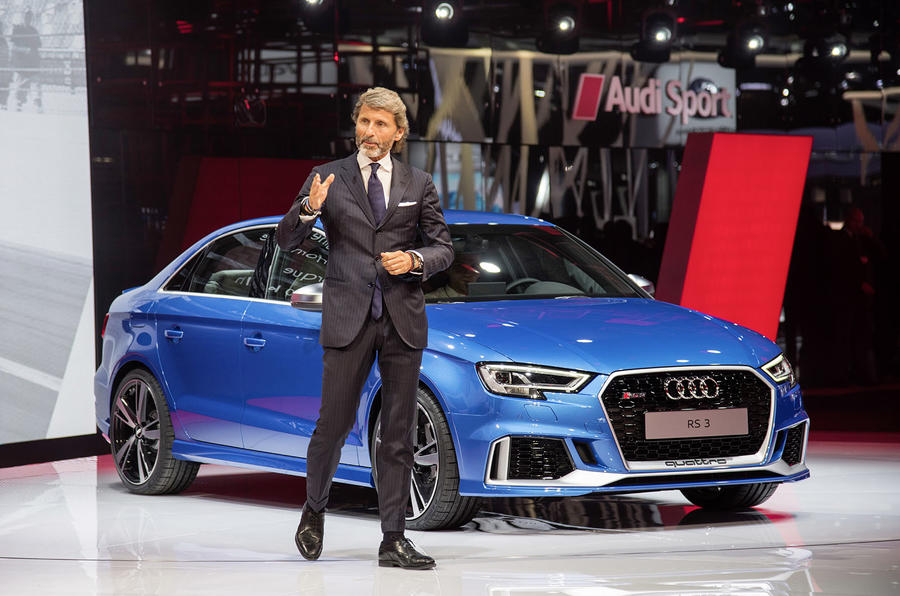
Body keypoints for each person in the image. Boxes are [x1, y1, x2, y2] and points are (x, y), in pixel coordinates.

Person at [276, 87, 453, 570]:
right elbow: (286, 239)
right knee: (332, 427)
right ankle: (314, 511)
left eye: (380, 124)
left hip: (401, 320)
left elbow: (443, 248)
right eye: (364, 121)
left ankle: (393, 538)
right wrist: (309, 209)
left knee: (397, 434)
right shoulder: (327, 177)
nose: (370, 132)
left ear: (398, 133)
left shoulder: (419, 182)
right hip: (348, 318)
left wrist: (414, 259)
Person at [11, 10, 41, 112]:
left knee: (36, 86)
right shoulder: (17, 29)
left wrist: (35, 56)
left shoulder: (34, 31)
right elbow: (13, 47)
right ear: (22, 16)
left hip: (32, 64)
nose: (27, 18)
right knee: (19, 88)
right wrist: (25, 50)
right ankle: (18, 107)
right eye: (25, 16)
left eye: (29, 16)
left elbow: (37, 47)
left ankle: (38, 105)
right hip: (21, 64)